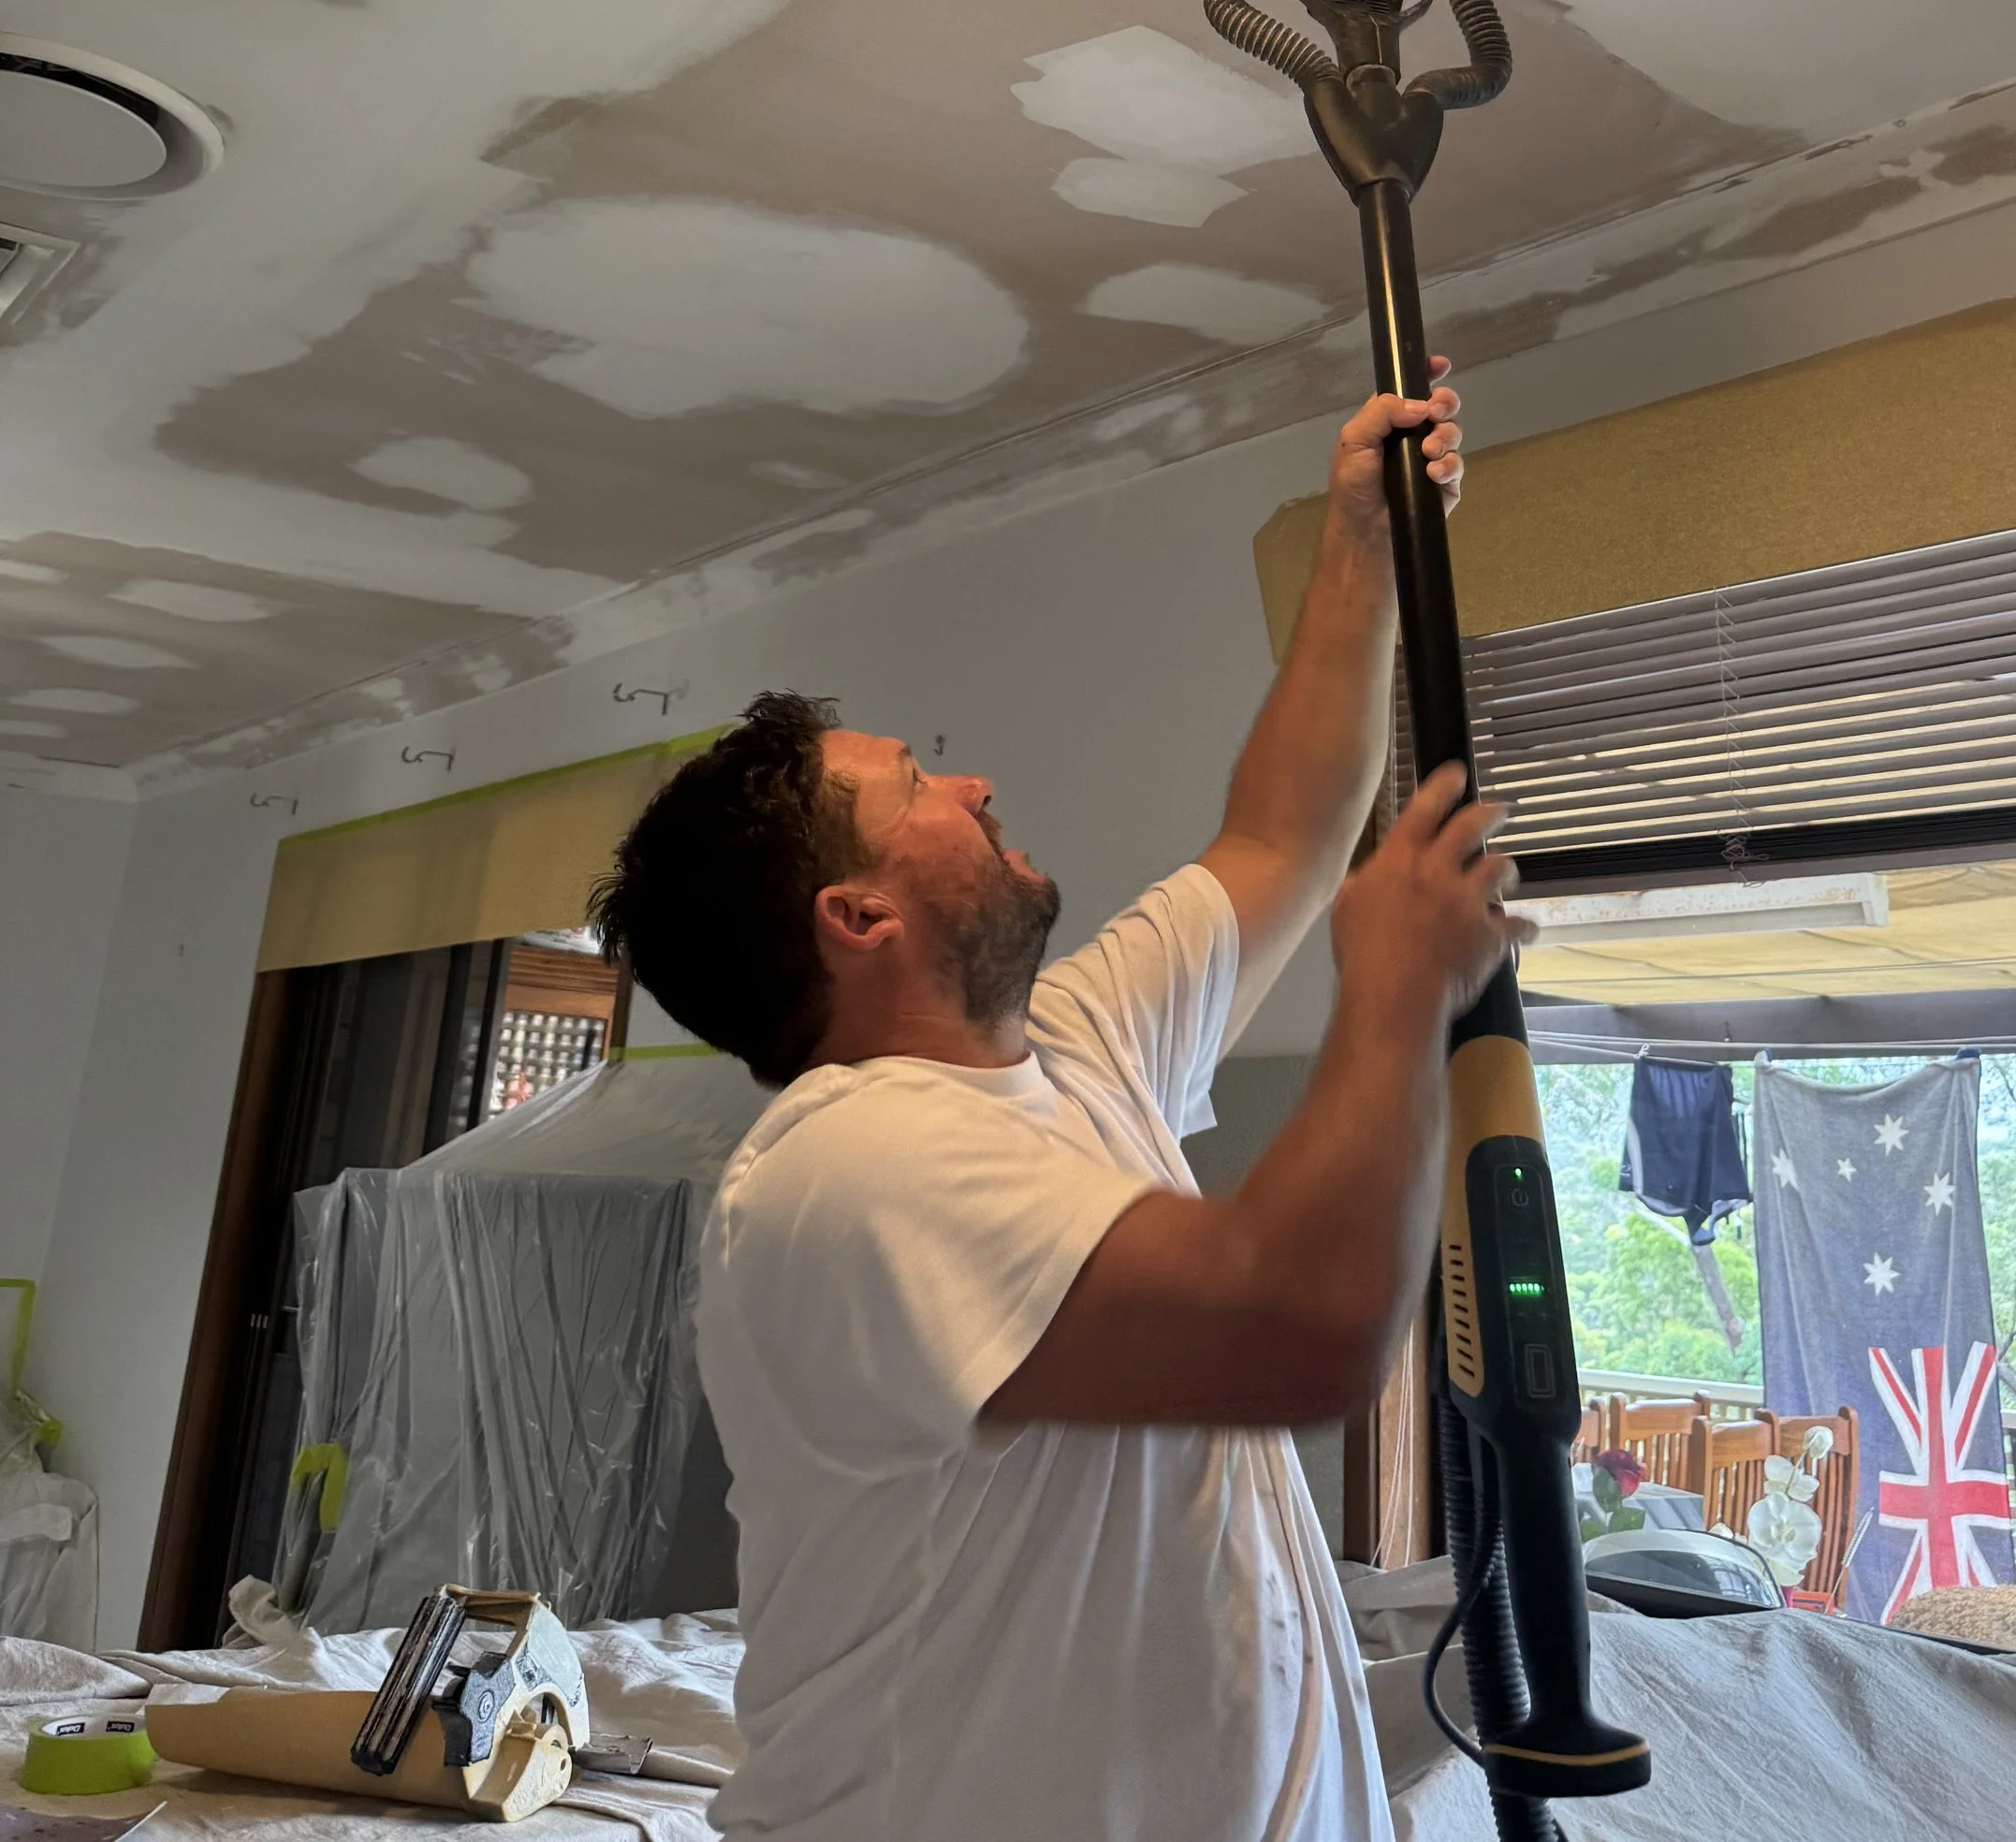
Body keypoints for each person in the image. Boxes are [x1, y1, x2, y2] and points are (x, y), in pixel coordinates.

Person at [589, 368, 1527, 1842]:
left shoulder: (1081, 1045)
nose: (973, 784)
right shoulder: (853, 1168)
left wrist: (1355, 544)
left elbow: (1281, 830)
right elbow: (1300, 1322)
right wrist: (1395, 993)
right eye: (917, 789)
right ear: (858, 913)